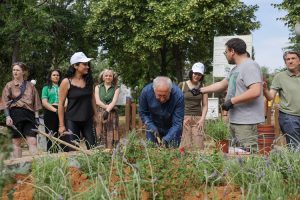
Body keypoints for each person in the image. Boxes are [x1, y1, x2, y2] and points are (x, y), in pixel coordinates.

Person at [196, 38, 264, 150]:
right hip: (236, 120)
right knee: (236, 157)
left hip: (246, 122)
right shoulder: (235, 69)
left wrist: (232, 101)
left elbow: (255, 91)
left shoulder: (250, 66)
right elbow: (222, 84)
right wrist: (201, 90)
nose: (225, 55)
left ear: (232, 51)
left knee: (248, 157)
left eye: (225, 52)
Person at [2, 62, 42, 158]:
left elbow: (36, 102)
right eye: (14, 70)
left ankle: (36, 166)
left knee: (32, 141)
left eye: (17, 70)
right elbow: (4, 103)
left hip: (29, 115)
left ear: (23, 72)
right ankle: (18, 167)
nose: (15, 72)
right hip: (15, 115)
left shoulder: (31, 86)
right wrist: (7, 116)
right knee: (16, 142)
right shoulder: (9, 85)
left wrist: (37, 118)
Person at [58, 52, 97, 151]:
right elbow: (61, 105)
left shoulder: (89, 80)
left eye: (87, 64)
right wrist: (61, 125)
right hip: (72, 120)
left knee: (93, 149)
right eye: (84, 64)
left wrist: (96, 116)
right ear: (75, 66)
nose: (87, 67)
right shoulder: (66, 82)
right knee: (72, 150)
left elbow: (92, 99)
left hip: (88, 119)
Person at [263, 50, 300, 150]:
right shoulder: (280, 77)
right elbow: (271, 97)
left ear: (299, 61)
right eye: (287, 59)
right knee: (296, 148)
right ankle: (294, 165)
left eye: (293, 58)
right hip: (289, 117)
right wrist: (265, 90)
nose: (290, 61)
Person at [139, 76, 184, 147]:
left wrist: (166, 139)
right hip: (153, 126)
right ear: (154, 90)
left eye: (165, 96)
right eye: (159, 95)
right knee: (152, 152)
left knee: (172, 154)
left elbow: (177, 123)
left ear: (170, 90)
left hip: (172, 128)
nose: (162, 99)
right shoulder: (145, 92)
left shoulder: (179, 95)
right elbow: (143, 113)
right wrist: (151, 126)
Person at [178, 62, 208, 150]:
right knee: (185, 145)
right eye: (195, 73)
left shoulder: (203, 87)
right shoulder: (182, 85)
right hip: (185, 117)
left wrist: (202, 119)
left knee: (198, 144)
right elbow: (176, 103)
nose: (197, 76)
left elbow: (205, 105)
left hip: (198, 119)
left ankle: (198, 163)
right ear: (191, 72)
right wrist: (180, 119)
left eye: (199, 74)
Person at [95, 69, 120, 149]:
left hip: (112, 115)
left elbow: (114, 101)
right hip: (100, 113)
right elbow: (97, 101)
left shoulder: (116, 88)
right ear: (103, 77)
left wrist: (107, 111)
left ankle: (112, 151)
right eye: (106, 75)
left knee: (112, 132)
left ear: (113, 77)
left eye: (110, 76)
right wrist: (107, 108)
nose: (108, 77)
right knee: (100, 132)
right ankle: (101, 151)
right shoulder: (97, 87)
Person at [41, 69, 62, 152]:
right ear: (50, 77)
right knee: (50, 134)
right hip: (50, 112)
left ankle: (63, 155)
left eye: (57, 75)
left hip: (62, 110)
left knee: (61, 134)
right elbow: (44, 102)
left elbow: (66, 99)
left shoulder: (63, 86)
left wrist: (62, 109)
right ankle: (52, 155)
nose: (56, 76)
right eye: (54, 75)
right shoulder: (46, 87)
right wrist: (56, 110)